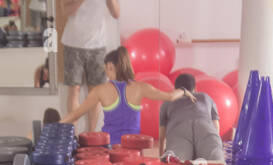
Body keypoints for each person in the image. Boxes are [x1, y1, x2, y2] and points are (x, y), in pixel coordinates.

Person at [60, 46, 193, 145]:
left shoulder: (100, 90)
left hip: (110, 148)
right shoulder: (141, 87)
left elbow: (75, 114)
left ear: (110, 66)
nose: (105, 72)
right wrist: (184, 90)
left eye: (105, 68)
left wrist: (53, 126)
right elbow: (170, 96)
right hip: (134, 148)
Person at [59, 0, 120, 134]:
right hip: (73, 43)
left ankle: (91, 135)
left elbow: (116, 13)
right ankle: (73, 136)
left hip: (97, 45)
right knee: (74, 90)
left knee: (95, 92)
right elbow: (65, 10)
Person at [160, 73, 225, 164]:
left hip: (179, 130)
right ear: (195, 88)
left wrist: (160, 157)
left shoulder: (168, 101)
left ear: (175, 89)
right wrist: (215, 141)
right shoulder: (205, 97)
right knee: (215, 164)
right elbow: (215, 125)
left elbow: (162, 134)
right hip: (205, 127)